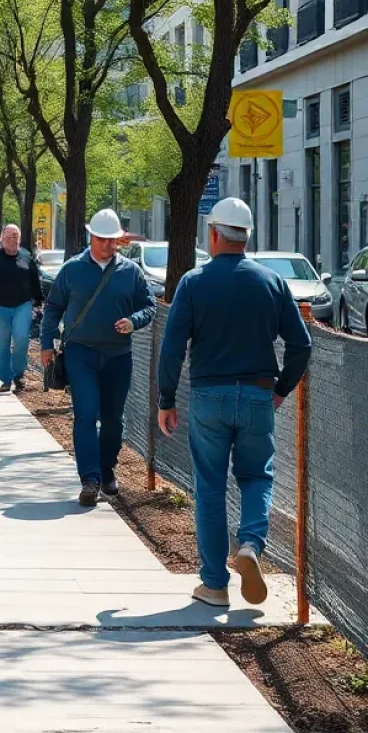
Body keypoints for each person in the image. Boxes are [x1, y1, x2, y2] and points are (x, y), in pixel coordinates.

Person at [157, 198, 312, 609]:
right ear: (246, 236)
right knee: (257, 477)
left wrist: (166, 398)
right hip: (259, 394)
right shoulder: (272, 283)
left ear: (213, 234)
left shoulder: (193, 283)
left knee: (209, 487)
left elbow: (172, 348)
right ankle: (251, 545)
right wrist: (280, 390)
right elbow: (301, 344)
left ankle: (214, 584)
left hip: (209, 396)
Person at [40, 209, 156, 507]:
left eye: (113, 240)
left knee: (114, 419)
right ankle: (89, 479)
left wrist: (134, 320)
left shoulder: (130, 271)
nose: (108, 245)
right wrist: (46, 344)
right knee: (86, 414)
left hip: (119, 355)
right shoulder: (72, 270)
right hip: (81, 353)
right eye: (103, 239)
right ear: (91, 237)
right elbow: (53, 308)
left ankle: (107, 469)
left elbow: (149, 305)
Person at [0, 223, 43, 394]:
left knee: (22, 338)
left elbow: (35, 281)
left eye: (15, 236)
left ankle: (19, 374)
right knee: (2, 345)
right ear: (2, 239)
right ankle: (6, 379)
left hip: (22, 306)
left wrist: (38, 302)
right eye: (8, 236)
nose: (12, 239)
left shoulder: (26, 257)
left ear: (19, 239)